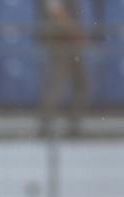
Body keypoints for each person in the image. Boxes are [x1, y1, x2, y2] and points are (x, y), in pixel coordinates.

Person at [40, 0, 89, 135]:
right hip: (60, 43)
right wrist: (76, 33)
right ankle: (46, 125)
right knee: (56, 85)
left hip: (73, 43)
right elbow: (57, 13)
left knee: (80, 84)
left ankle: (74, 125)